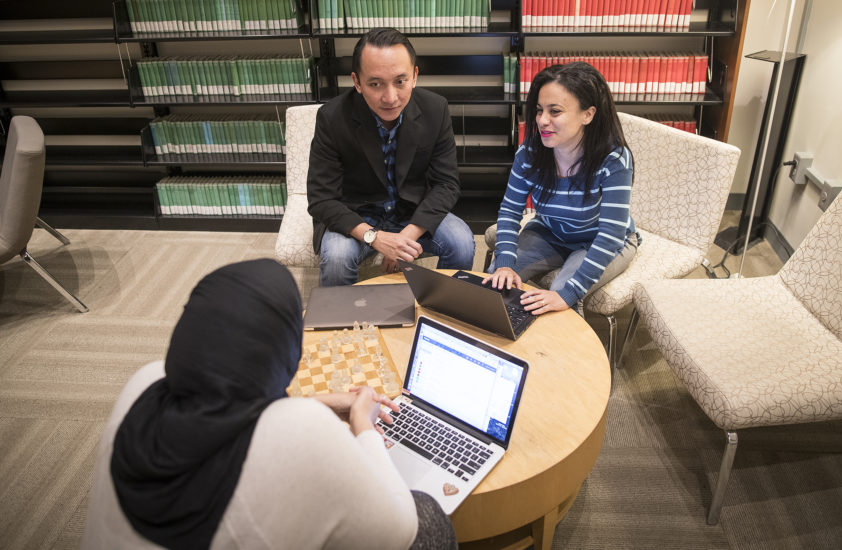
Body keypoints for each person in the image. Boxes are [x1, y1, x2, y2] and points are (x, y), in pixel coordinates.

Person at [81, 259, 457, 550]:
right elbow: (398, 529)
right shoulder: (305, 431)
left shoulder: (143, 381)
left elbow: (232, 412)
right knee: (429, 518)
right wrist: (362, 425)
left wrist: (314, 402)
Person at [307, 27, 475, 287]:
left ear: (415, 76)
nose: (390, 97)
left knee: (462, 243)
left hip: (411, 211)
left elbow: (447, 184)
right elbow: (321, 199)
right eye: (375, 84)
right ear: (357, 82)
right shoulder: (331, 118)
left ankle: (440, 315)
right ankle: (340, 323)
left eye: (400, 81)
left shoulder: (435, 109)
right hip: (357, 213)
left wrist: (405, 238)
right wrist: (376, 238)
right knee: (338, 258)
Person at [484, 62, 639, 314]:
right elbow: (510, 212)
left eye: (554, 111)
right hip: (550, 232)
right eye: (539, 110)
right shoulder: (531, 151)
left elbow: (610, 236)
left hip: (599, 240)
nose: (542, 121)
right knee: (495, 283)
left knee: (558, 297)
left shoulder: (614, 159)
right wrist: (503, 264)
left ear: (587, 114)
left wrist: (567, 294)